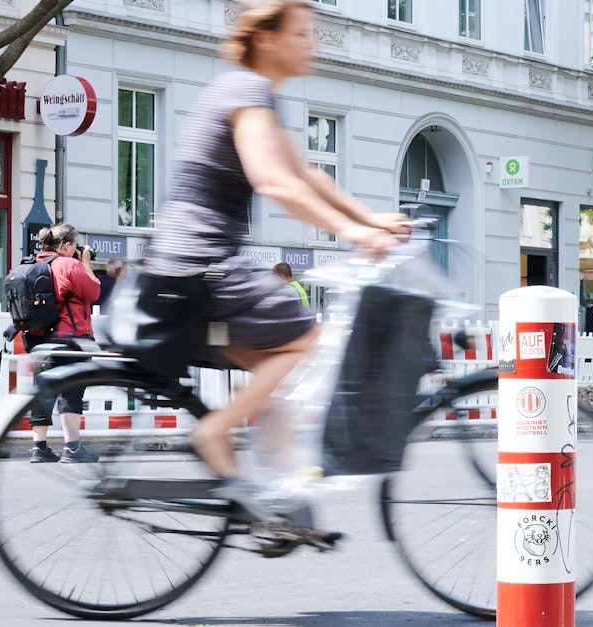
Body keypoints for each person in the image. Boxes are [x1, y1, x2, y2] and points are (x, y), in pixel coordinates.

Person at [141, 0, 404, 544]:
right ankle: (215, 434)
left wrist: (369, 217)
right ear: (266, 38)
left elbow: (303, 173)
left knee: (276, 380)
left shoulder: (253, 95)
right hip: (201, 262)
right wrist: (356, 235)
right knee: (303, 335)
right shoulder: (246, 93)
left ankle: (279, 508)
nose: (315, 44)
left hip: (190, 261)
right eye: (304, 33)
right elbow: (275, 182)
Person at [24, 224, 102, 463]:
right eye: (74, 244)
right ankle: (73, 448)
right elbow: (94, 292)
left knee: (43, 391)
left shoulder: (33, 264)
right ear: (67, 245)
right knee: (72, 391)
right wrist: (86, 262)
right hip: (71, 338)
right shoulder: (69, 264)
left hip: (40, 338)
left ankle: (39, 448)